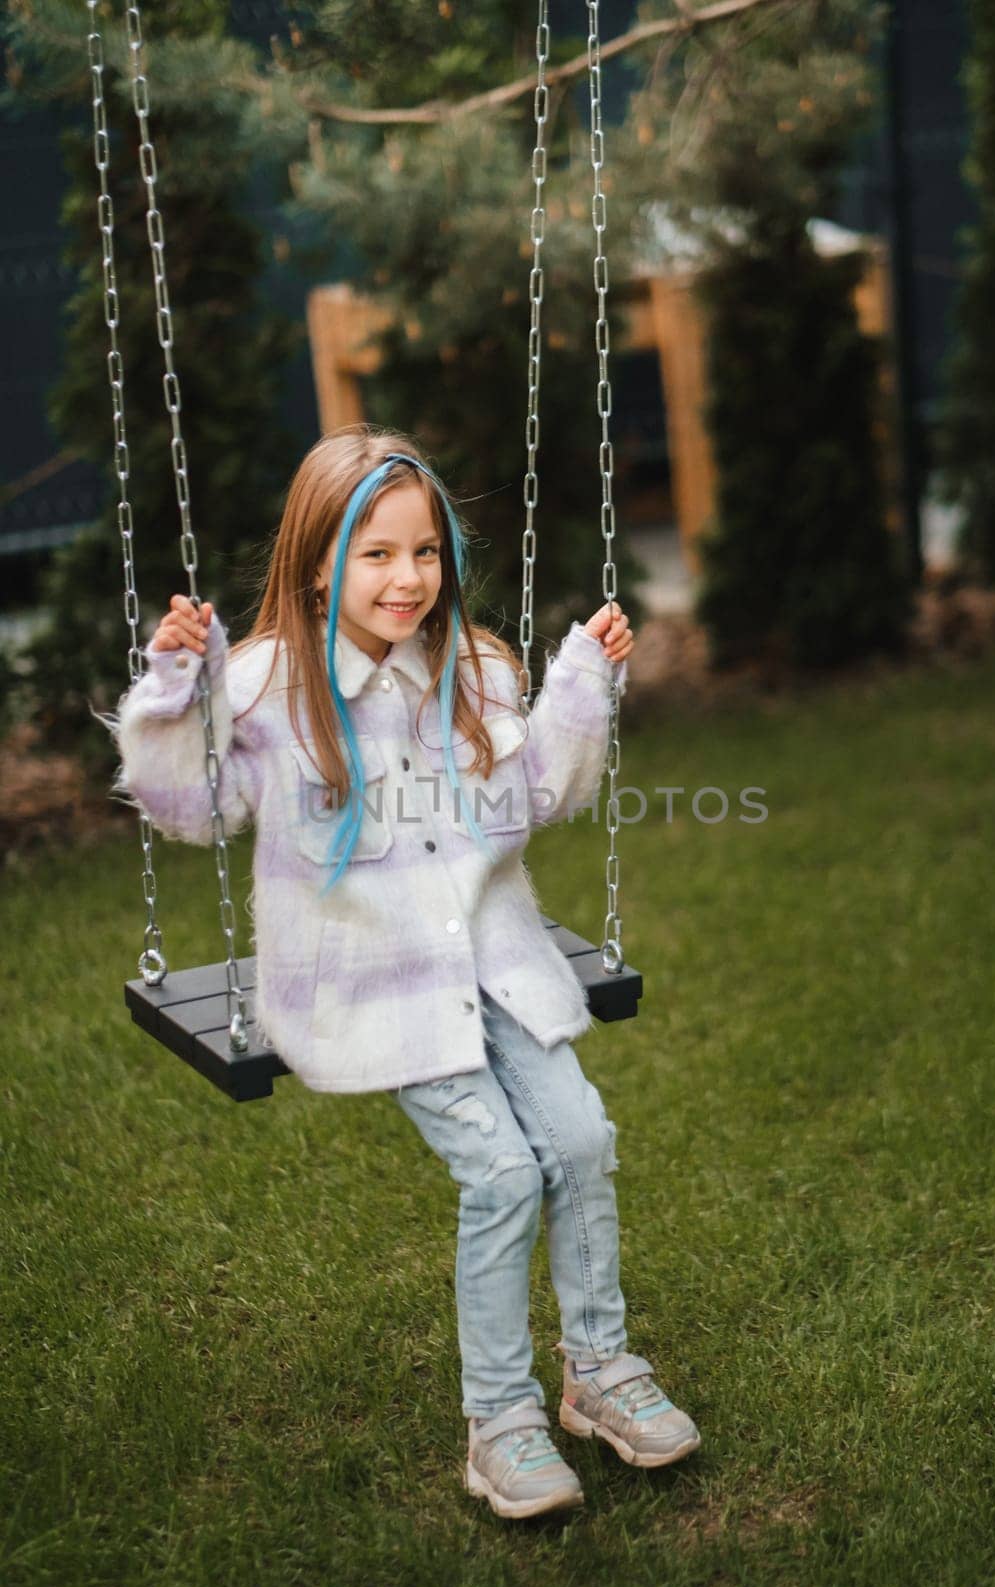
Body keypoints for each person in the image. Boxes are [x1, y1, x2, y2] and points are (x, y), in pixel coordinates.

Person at [112, 423, 700, 1519]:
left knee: (579, 1137)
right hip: (365, 981)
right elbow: (190, 808)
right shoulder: (267, 686)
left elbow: (538, 796)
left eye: (423, 552)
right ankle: (501, 1421)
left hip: (490, 958)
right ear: (317, 559)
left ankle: (599, 1372)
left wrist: (580, 687)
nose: (405, 578)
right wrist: (176, 689)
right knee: (502, 1173)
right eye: (374, 553)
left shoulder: (470, 669)